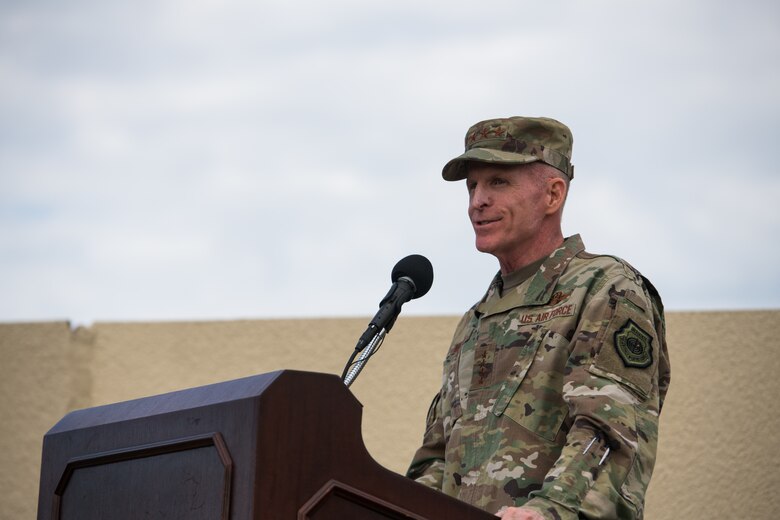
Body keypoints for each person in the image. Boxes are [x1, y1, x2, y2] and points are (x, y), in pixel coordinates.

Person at [406, 116, 671, 520]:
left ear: (553, 195)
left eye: (498, 182)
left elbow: (608, 432)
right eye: (472, 185)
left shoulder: (604, 288)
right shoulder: (476, 319)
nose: (478, 200)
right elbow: (438, 458)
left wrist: (550, 511)